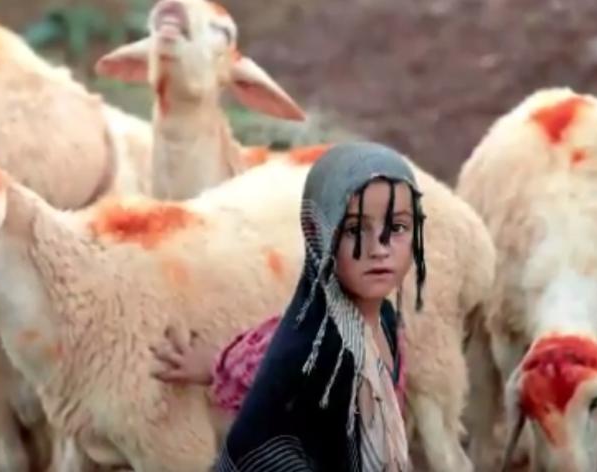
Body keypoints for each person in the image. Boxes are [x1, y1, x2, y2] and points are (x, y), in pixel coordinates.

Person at [148, 141, 427, 471]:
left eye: (397, 228)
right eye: (354, 229)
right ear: (318, 235)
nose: (379, 249)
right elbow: (273, 375)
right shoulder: (317, 342)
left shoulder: (384, 320)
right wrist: (219, 367)